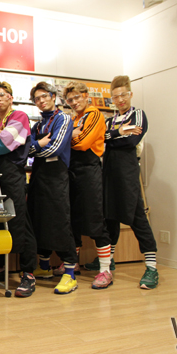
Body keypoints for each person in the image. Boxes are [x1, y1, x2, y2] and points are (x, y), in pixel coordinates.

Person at [89, 75, 159, 289]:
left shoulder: (138, 115)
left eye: (123, 95)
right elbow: (100, 140)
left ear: (130, 94)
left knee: (137, 217)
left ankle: (151, 268)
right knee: (109, 217)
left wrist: (112, 137)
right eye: (115, 96)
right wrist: (118, 133)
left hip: (128, 173)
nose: (119, 100)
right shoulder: (109, 120)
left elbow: (131, 140)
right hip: (108, 173)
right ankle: (108, 261)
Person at [0, 80, 37, 298]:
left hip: (13, 175)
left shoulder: (20, 116)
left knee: (19, 222)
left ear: (10, 97)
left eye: (1, 95)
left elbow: (4, 143)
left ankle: (28, 272)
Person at [27, 82, 78, 294]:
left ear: (53, 96)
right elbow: (26, 150)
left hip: (57, 176)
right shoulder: (38, 125)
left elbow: (55, 148)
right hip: (38, 176)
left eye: (44, 96)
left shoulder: (63, 119)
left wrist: (36, 147)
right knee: (39, 219)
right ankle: (44, 266)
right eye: (37, 99)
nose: (41, 101)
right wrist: (38, 145)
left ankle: (70, 274)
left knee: (60, 221)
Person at [64, 82, 113, 289]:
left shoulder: (94, 114)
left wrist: (68, 137)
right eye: (70, 100)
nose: (74, 102)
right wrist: (71, 134)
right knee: (73, 220)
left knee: (95, 220)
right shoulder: (74, 119)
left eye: (77, 97)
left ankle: (105, 270)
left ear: (86, 96)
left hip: (89, 172)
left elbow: (83, 143)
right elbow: (68, 142)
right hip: (73, 172)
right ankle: (73, 263)